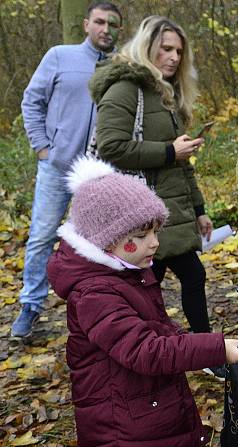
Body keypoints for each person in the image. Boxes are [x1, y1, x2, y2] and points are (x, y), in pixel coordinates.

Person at [47, 157, 238, 447]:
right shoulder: (95, 293)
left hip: (148, 409)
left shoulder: (126, 273)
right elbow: (143, 350)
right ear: (106, 240)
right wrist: (213, 348)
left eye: (155, 230)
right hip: (124, 421)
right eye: (140, 235)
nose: (155, 242)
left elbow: (154, 330)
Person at [88, 16, 225, 377]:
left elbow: (181, 163)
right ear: (146, 46)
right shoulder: (124, 88)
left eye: (179, 51)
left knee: (187, 278)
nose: (174, 57)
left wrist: (199, 209)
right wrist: (168, 151)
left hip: (170, 212)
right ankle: (150, 353)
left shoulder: (165, 94)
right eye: (166, 48)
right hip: (140, 212)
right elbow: (111, 146)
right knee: (146, 289)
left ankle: (196, 352)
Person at [11, 2, 122, 338]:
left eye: (112, 24)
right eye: (100, 22)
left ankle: (98, 309)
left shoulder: (123, 65)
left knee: (101, 242)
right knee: (42, 236)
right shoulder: (60, 55)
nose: (106, 29)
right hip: (57, 168)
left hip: (102, 173)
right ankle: (30, 306)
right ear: (87, 24)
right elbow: (32, 100)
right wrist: (43, 147)